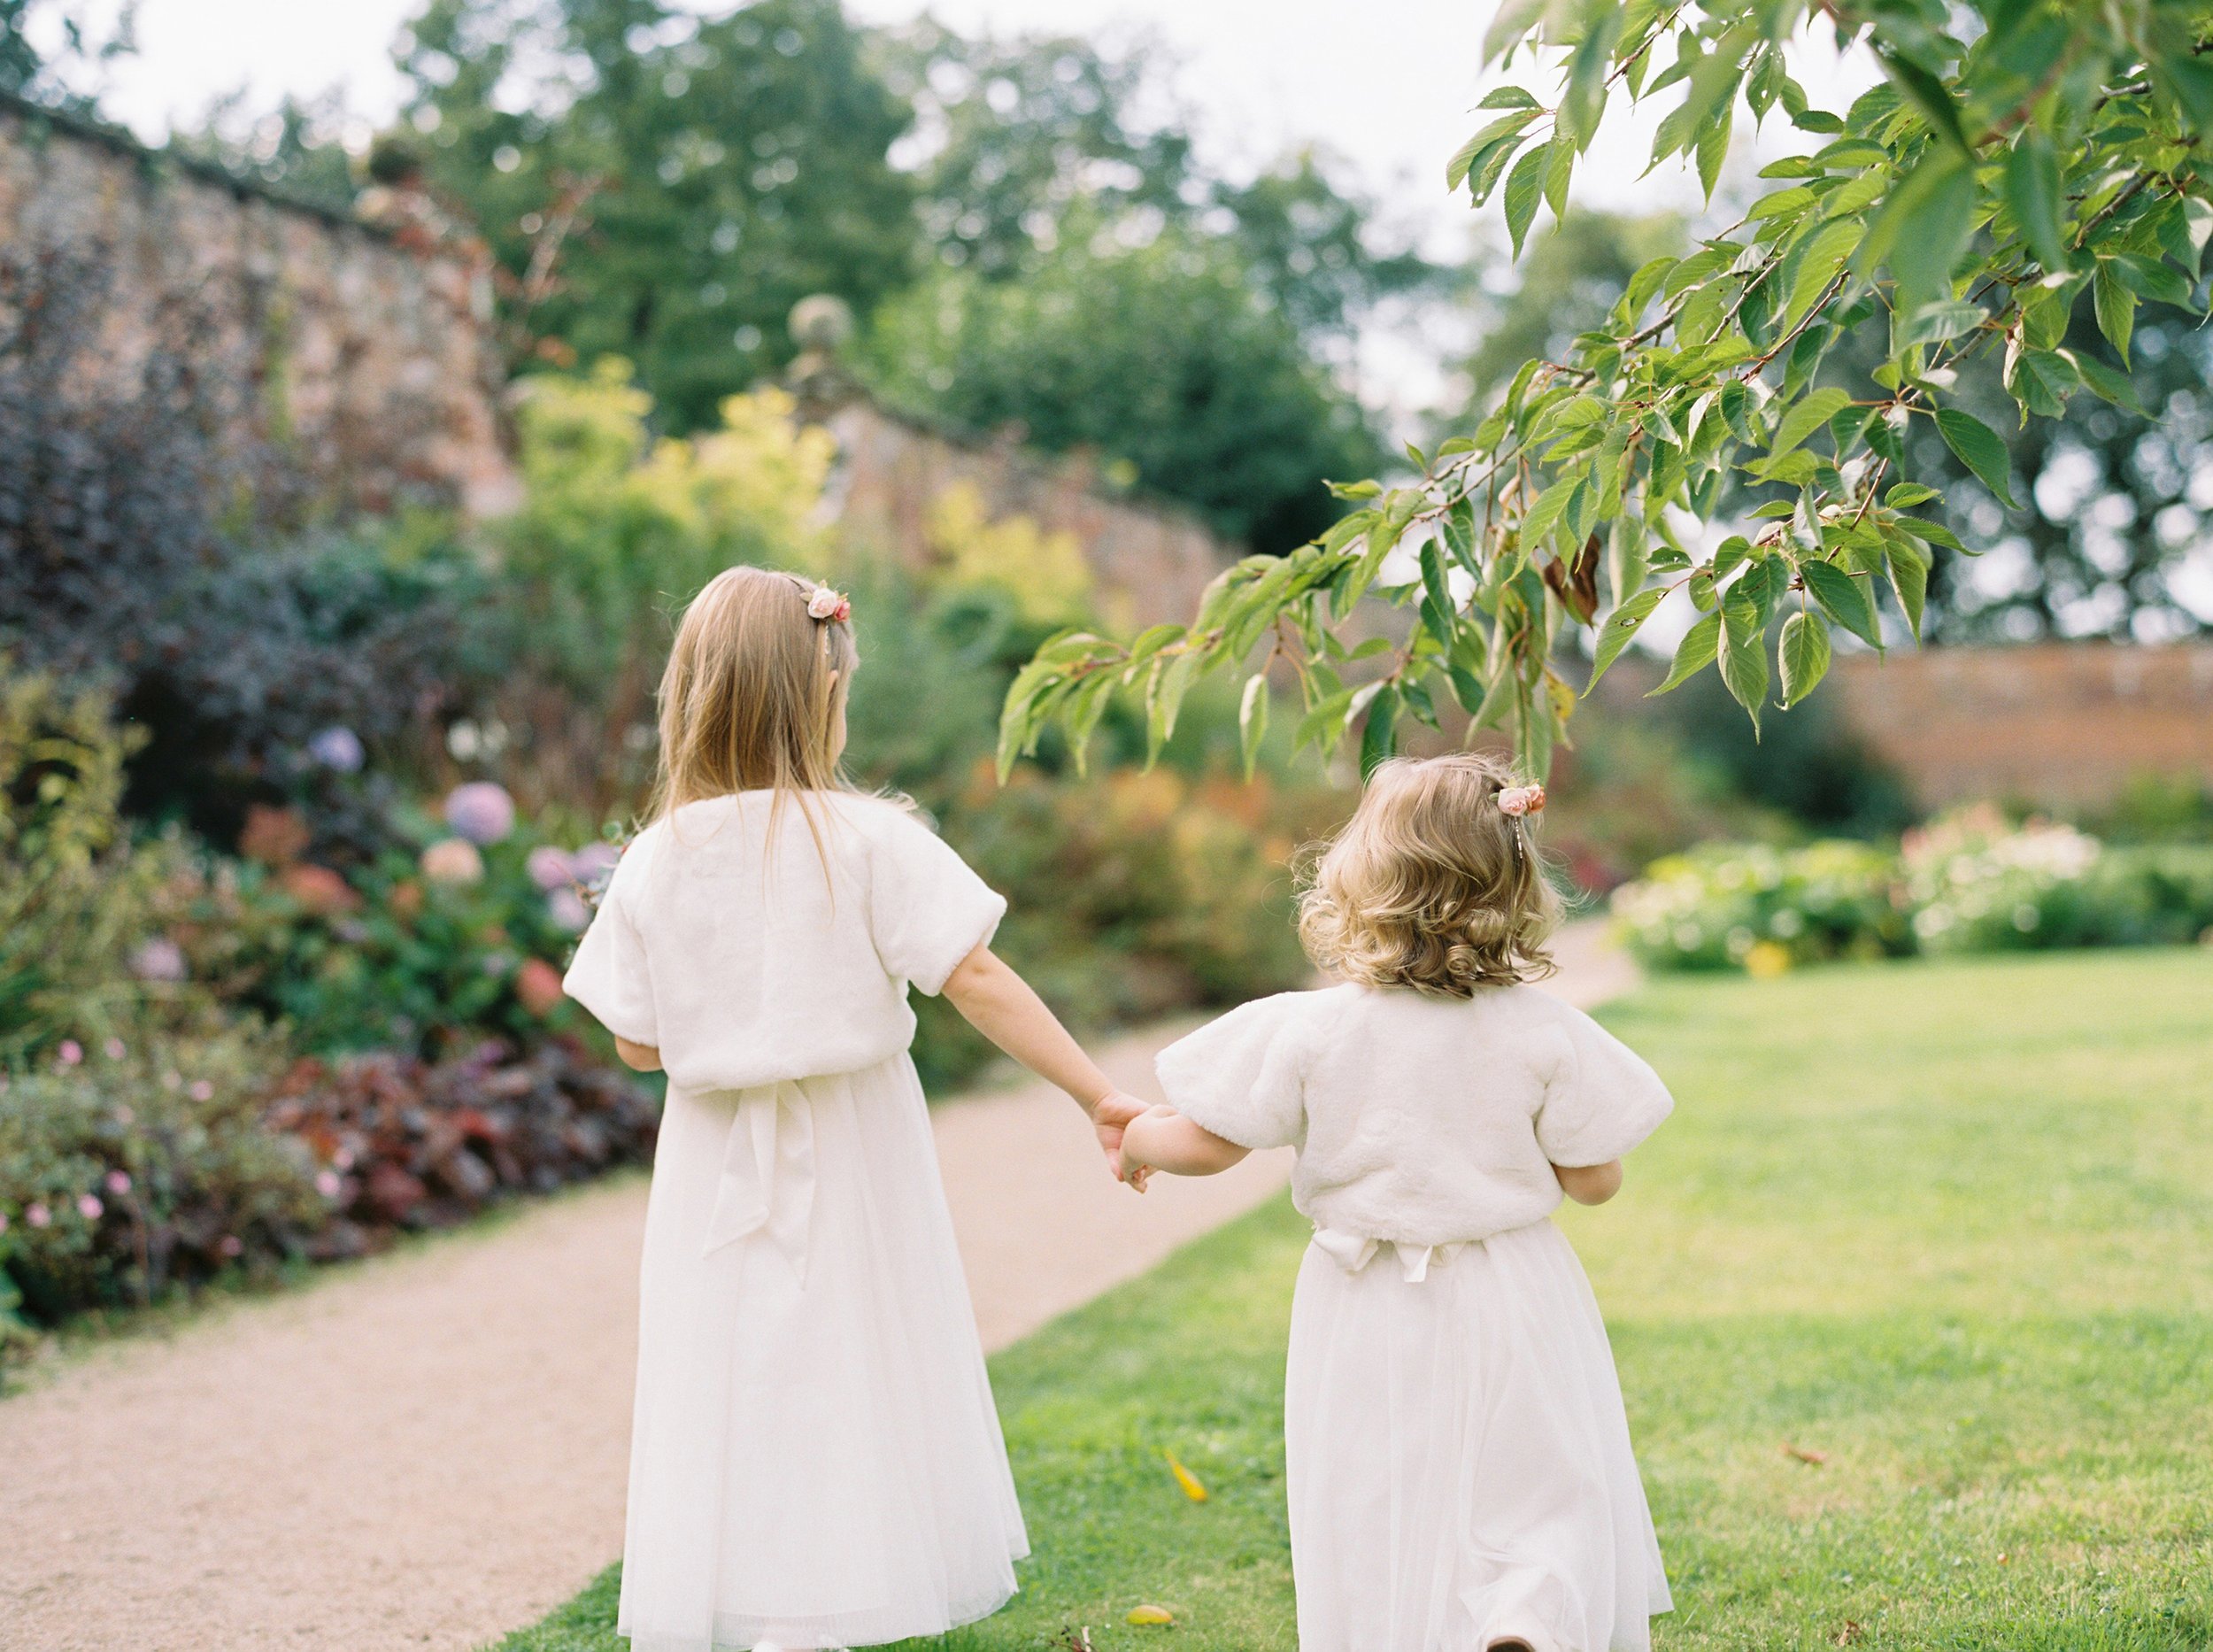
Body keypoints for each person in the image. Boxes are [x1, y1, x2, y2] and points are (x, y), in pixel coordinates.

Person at [563, 566, 1145, 1652]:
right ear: (821, 698)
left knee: (737, 1372)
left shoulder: (655, 860)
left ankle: (765, 1605)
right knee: (852, 1358)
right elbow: (973, 977)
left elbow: (635, 1042)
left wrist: (728, 1013)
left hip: (717, 1155)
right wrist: (1098, 1095)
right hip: (854, 1143)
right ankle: (828, 1602)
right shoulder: (868, 840)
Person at [1118, 753, 1674, 1652]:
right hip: (1511, 1289)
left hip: (1363, 1300)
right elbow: (1594, 1180)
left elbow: (1204, 1145)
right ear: (1516, 884)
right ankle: (1524, 1613)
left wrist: (1132, 1136)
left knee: (1379, 1484)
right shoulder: (1543, 1029)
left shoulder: (1308, 1029)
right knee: (1534, 1475)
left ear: (1360, 880)